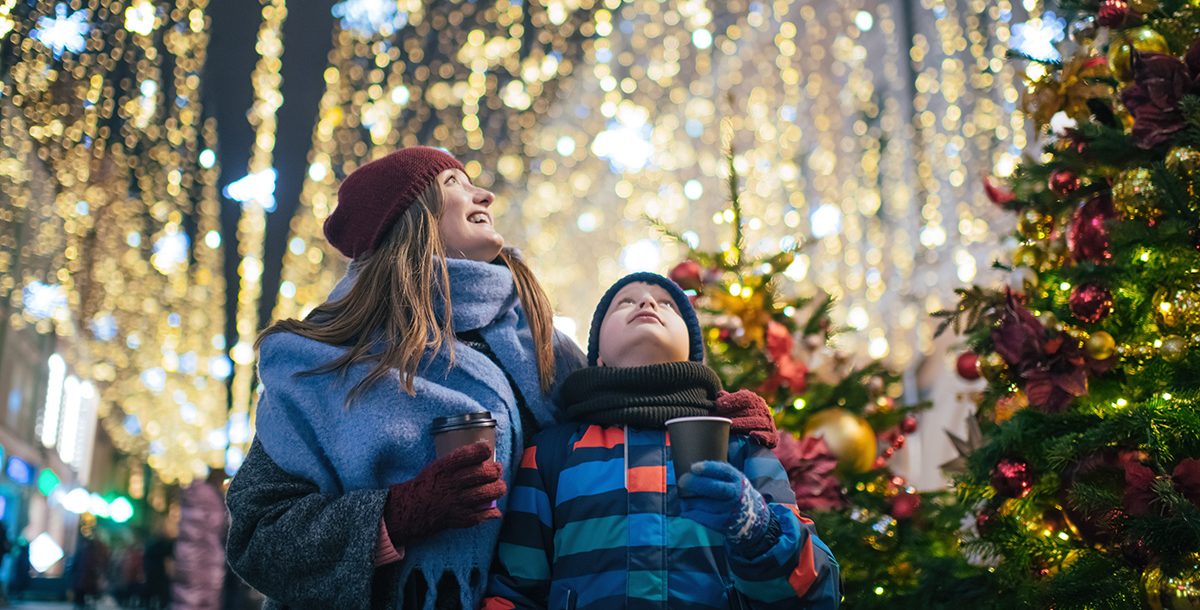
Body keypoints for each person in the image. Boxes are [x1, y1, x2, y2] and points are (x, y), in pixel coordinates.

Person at [225, 147, 777, 610]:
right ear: (407, 216)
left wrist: (710, 412)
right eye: (455, 183)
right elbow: (258, 537)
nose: (484, 196)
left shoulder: (541, 346)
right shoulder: (327, 361)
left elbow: (615, 424)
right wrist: (394, 515)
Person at [484, 273, 841, 609]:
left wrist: (757, 528)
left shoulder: (740, 444)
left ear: (691, 351)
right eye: (625, 302)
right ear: (599, 356)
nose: (647, 304)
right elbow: (516, 590)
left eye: (667, 304)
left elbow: (818, 591)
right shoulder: (551, 451)